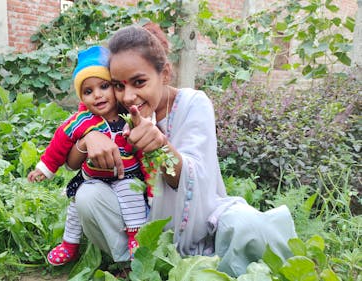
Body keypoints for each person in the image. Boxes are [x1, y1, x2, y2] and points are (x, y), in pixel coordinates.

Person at [69, 23, 297, 277]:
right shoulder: (116, 109)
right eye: (119, 86)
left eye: (139, 82)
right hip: (139, 220)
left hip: (201, 218)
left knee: (247, 225)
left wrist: (160, 146)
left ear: (165, 74)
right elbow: (70, 160)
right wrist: (88, 138)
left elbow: (195, 175)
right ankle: (134, 267)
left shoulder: (193, 103)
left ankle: (204, 265)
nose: (129, 96)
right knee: (88, 195)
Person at [27, 46, 148, 266]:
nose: (98, 95)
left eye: (104, 86)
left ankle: (135, 239)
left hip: (125, 175)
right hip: (93, 178)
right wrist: (45, 168)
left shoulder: (128, 117)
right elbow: (59, 143)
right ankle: (69, 244)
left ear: (115, 87)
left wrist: (149, 184)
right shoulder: (81, 121)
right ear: (81, 96)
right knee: (75, 207)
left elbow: (142, 151)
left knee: (133, 197)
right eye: (88, 91)